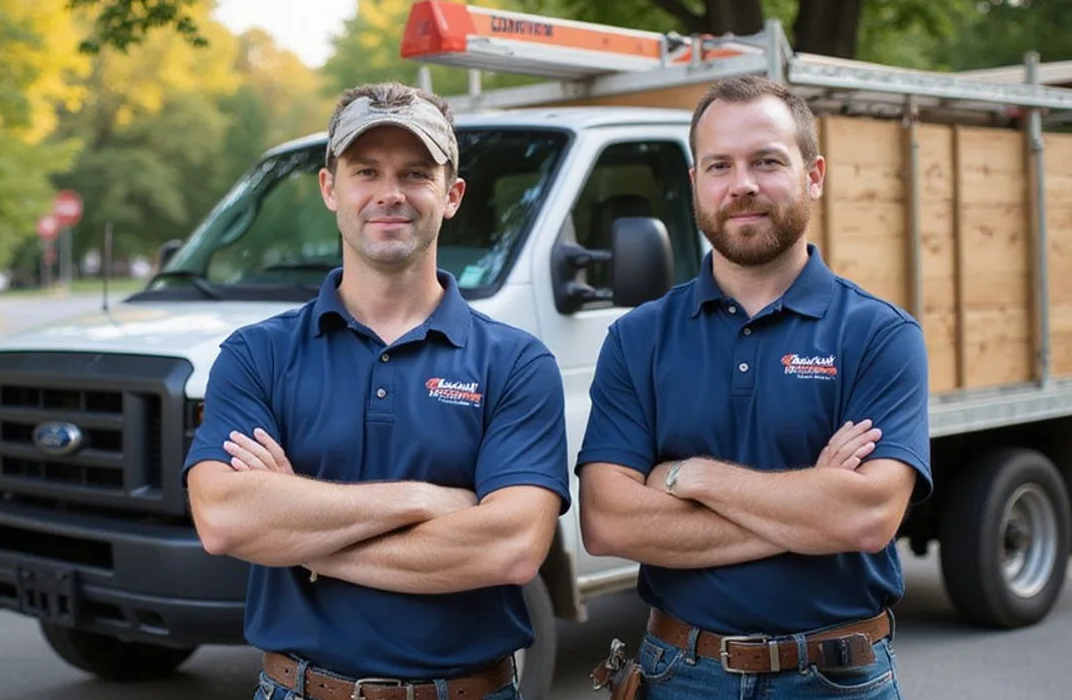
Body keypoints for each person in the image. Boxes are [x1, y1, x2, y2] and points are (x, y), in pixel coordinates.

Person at [184, 81, 571, 700]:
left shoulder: (516, 362)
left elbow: (510, 548)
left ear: (452, 195)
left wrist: (303, 542)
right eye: (366, 170)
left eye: (416, 173)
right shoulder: (257, 353)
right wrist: (425, 499)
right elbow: (226, 519)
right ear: (330, 188)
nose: (390, 194)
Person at [576, 75, 933, 699]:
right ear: (695, 184)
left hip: (838, 679)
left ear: (813, 175)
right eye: (720, 165)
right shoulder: (637, 339)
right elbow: (608, 523)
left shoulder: (879, 334)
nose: (742, 184)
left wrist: (692, 478)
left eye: (767, 161)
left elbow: (867, 516)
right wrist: (811, 509)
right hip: (680, 676)